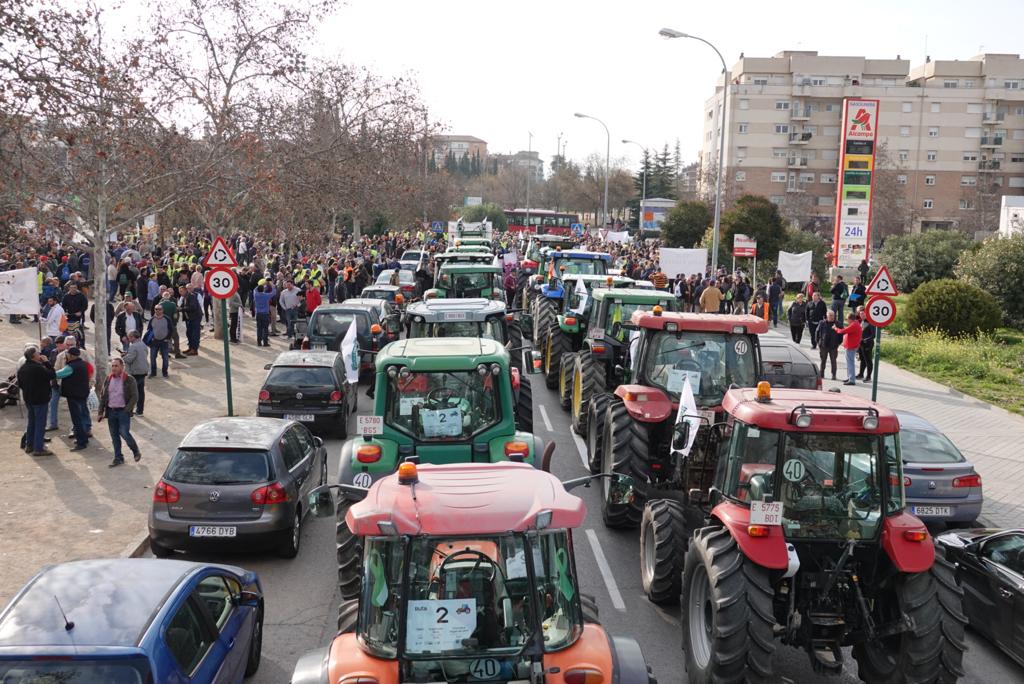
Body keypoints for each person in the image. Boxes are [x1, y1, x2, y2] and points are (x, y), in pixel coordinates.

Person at [98, 357, 141, 468]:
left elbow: (135, 396)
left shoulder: (129, 379)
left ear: (122, 367)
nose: (114, 368)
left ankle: (135, 450)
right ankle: (118, 458)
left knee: (124, 433)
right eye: (112, 366)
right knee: (114, 436)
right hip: (111, 411)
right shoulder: (108, 379)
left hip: (123, 411)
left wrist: (127, 409)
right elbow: (103, 396)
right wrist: (100, 411)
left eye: (116, 366)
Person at [17, 347, 55, 456]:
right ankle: (39, 448)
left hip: (29, 399)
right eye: (38, 353)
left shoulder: (23, 368)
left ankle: (30, 444)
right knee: (40, 423)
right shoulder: (38, 368)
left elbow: (21, 384)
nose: (40, 355)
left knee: (32, 422)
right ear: (34, 356)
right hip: (40, 399)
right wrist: (47, 362)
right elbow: (52, 374)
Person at [58, 346, 91, 451]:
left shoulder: (71, 367)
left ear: (71, 356)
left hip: (74, 396)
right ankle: (83, 438)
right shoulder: (84, 365)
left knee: (77, 419)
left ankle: (81, 442)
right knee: (81, 417)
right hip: (82, 394)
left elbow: (58, 374)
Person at [123, 330, 150, 416]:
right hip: (143, 370)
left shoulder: (133, 346)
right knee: (141, 391)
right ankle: (140, 411)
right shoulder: (143, 344)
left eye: (129, 337)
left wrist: (124, 356)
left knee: (131, 393)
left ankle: (130, 412)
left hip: (135, 372)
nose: (128, 339)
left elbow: (129, 359)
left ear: (133, 337)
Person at [833, 311, 863, 386]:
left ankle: (852, 379)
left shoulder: (854, 325)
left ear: (850, 319)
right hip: (851, 346)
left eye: (847, 319)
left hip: (851, 347)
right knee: (849, 363)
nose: (847, 320)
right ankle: (850, 377)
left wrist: (835, 328)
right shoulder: (855, 323)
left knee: (850, 363)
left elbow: (843, 331)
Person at [147, 303, 172, 377]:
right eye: (156, 309)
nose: (158, 311)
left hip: (164, 342)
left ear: (163, 310)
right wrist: (151, 338)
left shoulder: (167, 319)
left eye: (159, 309)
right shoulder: (152, 319)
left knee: (165, 358)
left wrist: (167, 338)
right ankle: (153, 373)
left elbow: (171, 329)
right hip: (154, 342)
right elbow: (149, 329)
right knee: (152, 358)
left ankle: (165, 373)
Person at [816, 310, 842, 381]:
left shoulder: (838, 324)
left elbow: (841, 335)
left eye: (833, 315)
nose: (831, 317)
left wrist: (838, 343)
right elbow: (817, 333)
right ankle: (821, 374)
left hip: (833, 346)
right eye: (830, 315)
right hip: (823, 345)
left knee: (833, 361)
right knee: (823, 360)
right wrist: (819, 343)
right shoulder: (822, 323)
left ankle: (834, 375)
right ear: (827, 316)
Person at [253, 281, 276, 347]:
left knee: (259, 328)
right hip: (265, 314)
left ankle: (259, 342)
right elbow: (274, 292)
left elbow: (255, 289)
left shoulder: (256, 294)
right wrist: (271, 284)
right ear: (263, 289)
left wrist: (262, 283)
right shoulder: (266, 295)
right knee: (265, 328)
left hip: (258, 313)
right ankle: (265, 342)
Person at [857, 306, 876, 381]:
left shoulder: (871, 322)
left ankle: (868, 376)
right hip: (861, 344)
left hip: (868, 344)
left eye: (863, 314)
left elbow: (873, 335)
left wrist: (865, 340)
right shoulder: (862, 321)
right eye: (860, 314)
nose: (861, 315)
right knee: (862, 359)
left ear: (867, 313)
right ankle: (861, 374)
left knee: (868, 360)